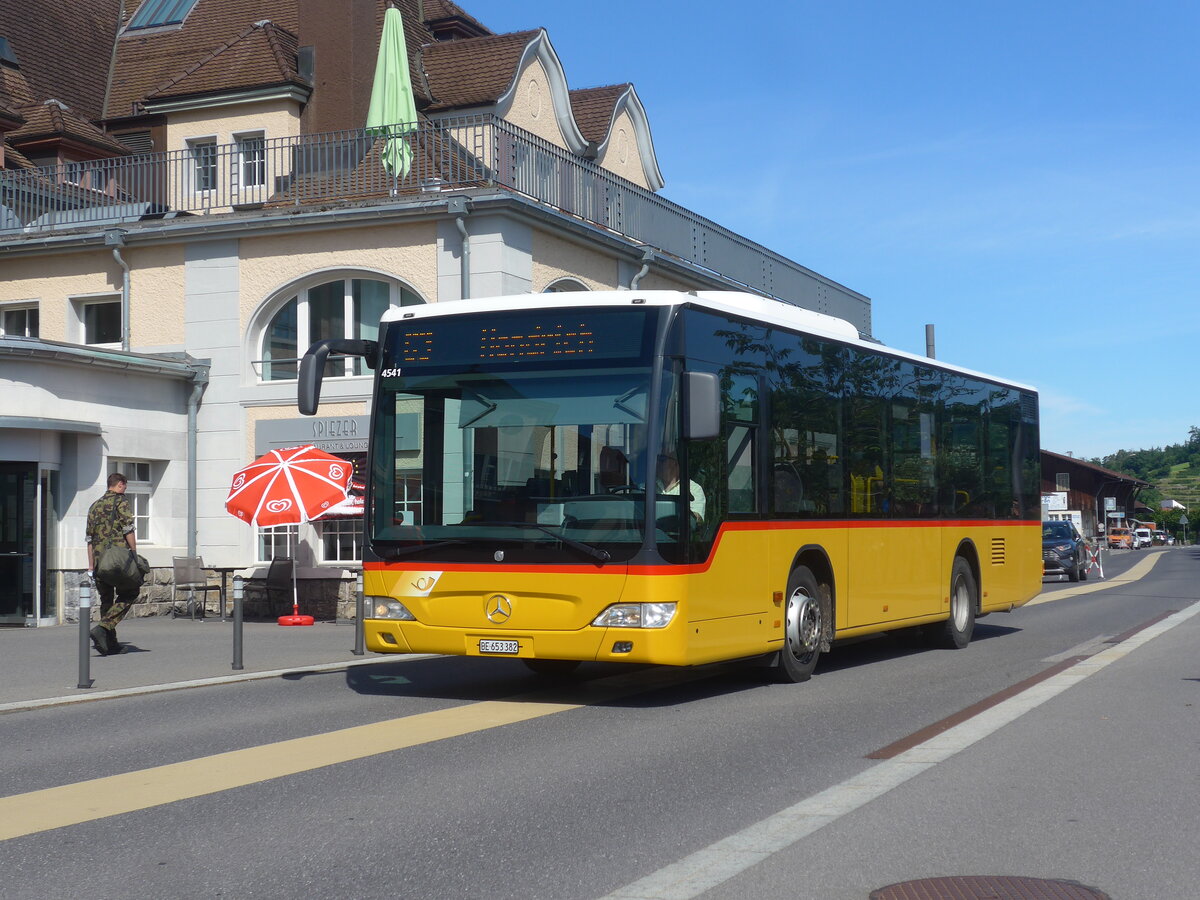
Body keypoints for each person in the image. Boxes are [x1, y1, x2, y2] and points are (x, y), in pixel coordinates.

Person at [86, 472, 139, 655]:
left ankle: (110, 643)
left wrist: (91, 566)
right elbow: (128, 530)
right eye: (125, 486)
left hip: (99, 561)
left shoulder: (94, 506)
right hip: (117, 560)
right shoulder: (121, 501)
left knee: (106, 600)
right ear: (120, 485)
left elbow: (89, 540)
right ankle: (103, 627)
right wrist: (134, 553)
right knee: (131, 591)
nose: (125, 489)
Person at [656, 453, 706, 523]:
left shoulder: (694, 489)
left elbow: (698, 520)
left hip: (678, 532)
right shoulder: (646, 486)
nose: (657, 463)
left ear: (675, 464)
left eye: (662, 459)